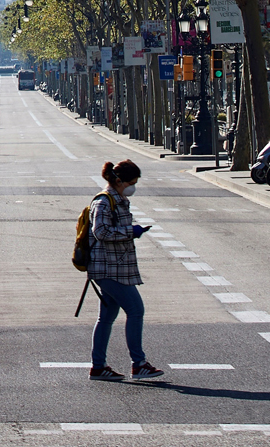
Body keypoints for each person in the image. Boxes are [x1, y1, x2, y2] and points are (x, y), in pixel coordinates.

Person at [86, 159, 163, 382]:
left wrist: (131, 231)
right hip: (109, 269)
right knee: (136, 310)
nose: (134, 186)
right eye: (131, 182)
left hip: (114, 268)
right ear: (119, 181)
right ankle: (138, 364)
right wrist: (130, 231)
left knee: (107, 318)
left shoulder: (118, 199)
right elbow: (101, 232)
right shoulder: (104, 201)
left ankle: (98, 367)